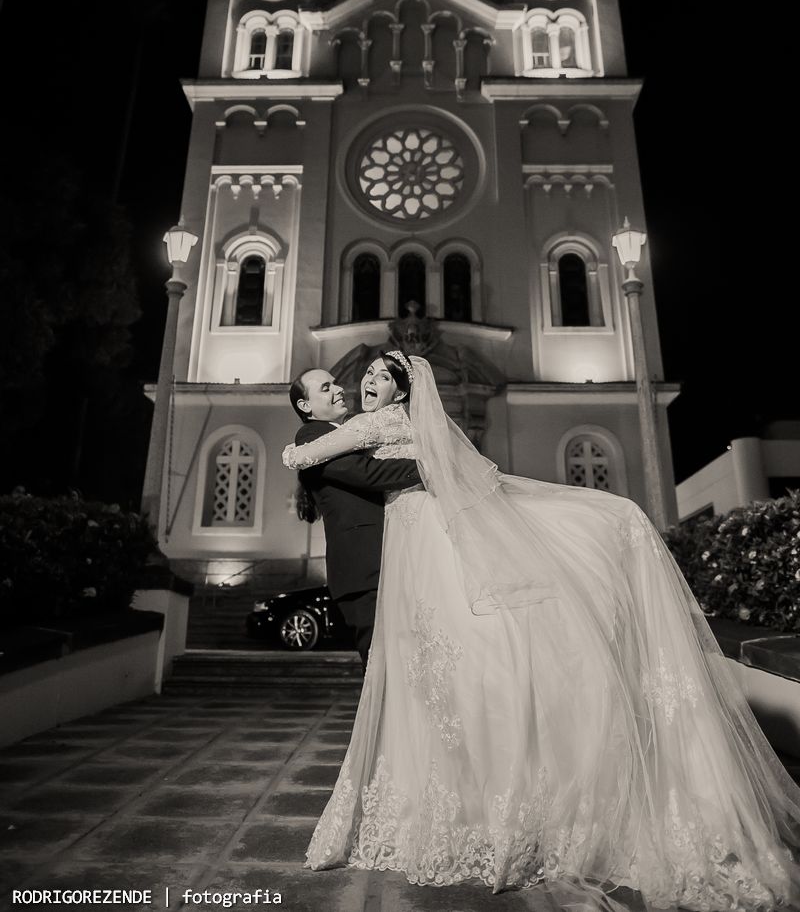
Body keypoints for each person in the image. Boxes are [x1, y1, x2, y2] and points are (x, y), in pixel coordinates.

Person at [283, 352, 800, 911]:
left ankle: (463, 801)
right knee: (410, 685)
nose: (357, 385)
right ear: (306, 405)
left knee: (431, 678)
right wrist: (436, 463)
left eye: (378, 376)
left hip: (418, 548)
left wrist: (440, 463)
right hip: (389, 564)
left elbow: (365, 468)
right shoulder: (340, 432)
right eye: (342, 383)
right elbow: (342, 465)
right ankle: (434, 795)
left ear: (404, 391)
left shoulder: (378, 424)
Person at [289, 368, 421, 672]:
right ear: (305, 406)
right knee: (382, 668)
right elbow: (366, 473)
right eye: (326, 388)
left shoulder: (348, 433)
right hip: (362, 569)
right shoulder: (311, 437)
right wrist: (428, 465)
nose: (338, 389)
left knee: (402, 666)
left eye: (335, 383)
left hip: (383, 562)